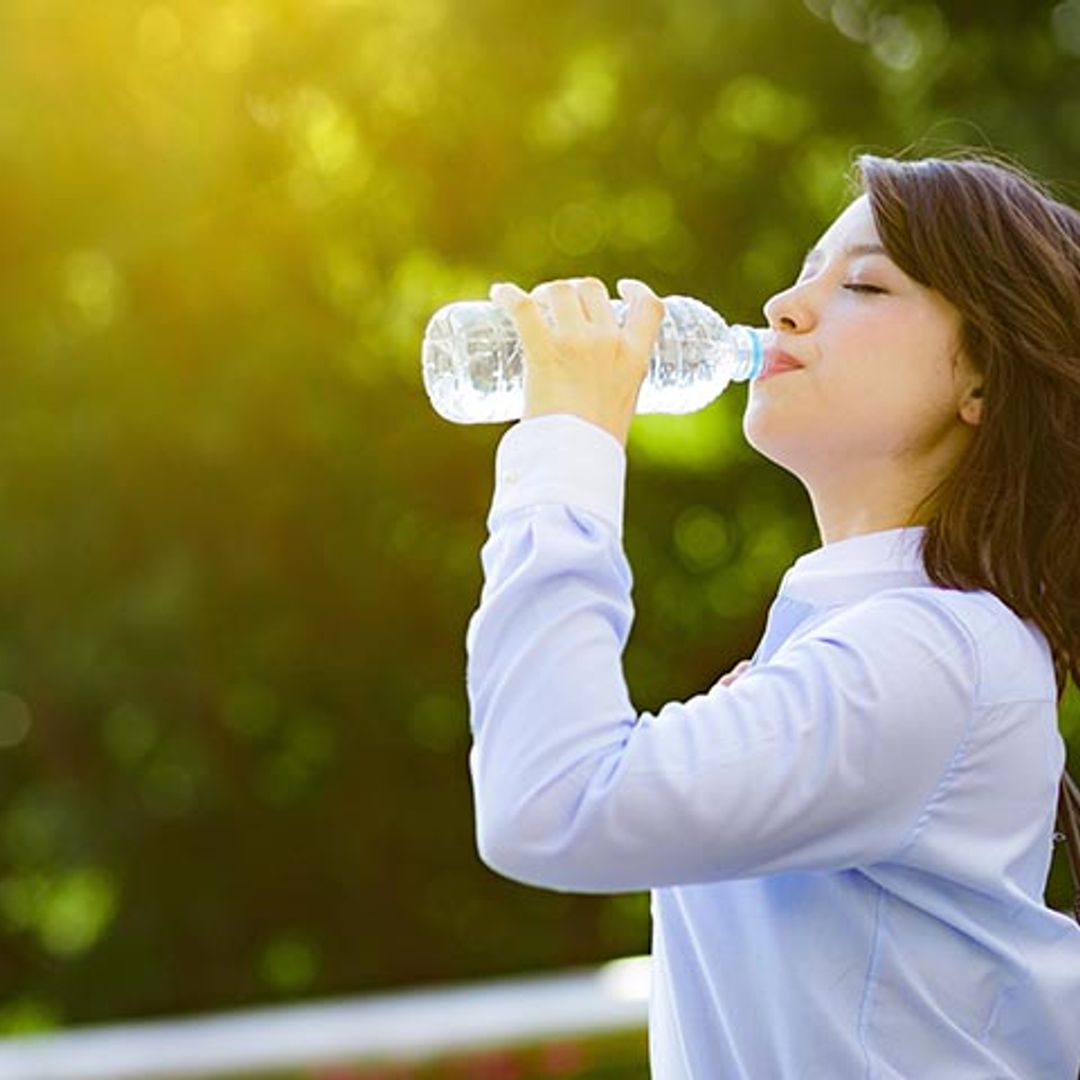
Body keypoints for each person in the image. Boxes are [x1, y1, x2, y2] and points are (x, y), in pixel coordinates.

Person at [466, 151, 1080, 1077]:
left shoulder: (935, 651)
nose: (786, 308)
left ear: (984, 382)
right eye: (802, 275)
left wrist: (567, 444)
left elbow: (551, 803)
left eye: (865, 285)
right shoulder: (868, 638)